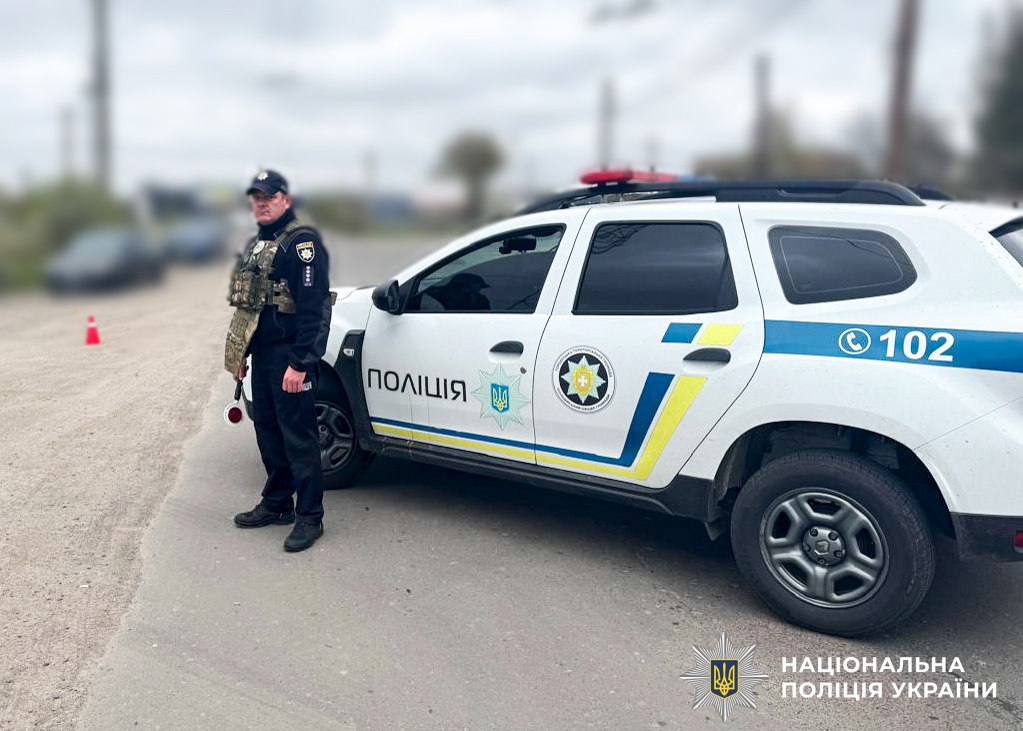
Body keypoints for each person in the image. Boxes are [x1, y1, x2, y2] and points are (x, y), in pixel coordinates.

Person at [224, 169, 331, 552]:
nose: (262, 203)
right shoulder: (257, 244)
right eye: (256, 197)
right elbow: (249, 308)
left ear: (286, 200)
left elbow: (315, 310)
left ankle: (310, 516)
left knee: (298, 438)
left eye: (269, 196)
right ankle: (277, 503)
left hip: (290, 355)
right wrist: (240, 355)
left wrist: (300, 363)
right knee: (268, 432)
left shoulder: (302, 244)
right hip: (264, 355)